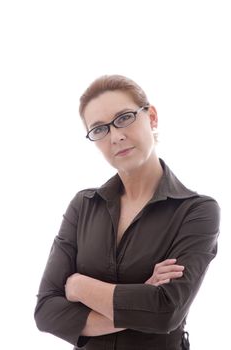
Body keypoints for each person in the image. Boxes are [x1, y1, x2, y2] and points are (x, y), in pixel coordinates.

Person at [34, 75, 220, 350]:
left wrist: (79, 286)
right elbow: (46, 312)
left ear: (152, 117)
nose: (116, 136)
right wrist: (140, 299)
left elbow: (165, 311)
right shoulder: (83, 205)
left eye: (124, 118)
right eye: (99, 129)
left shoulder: (197, 210)